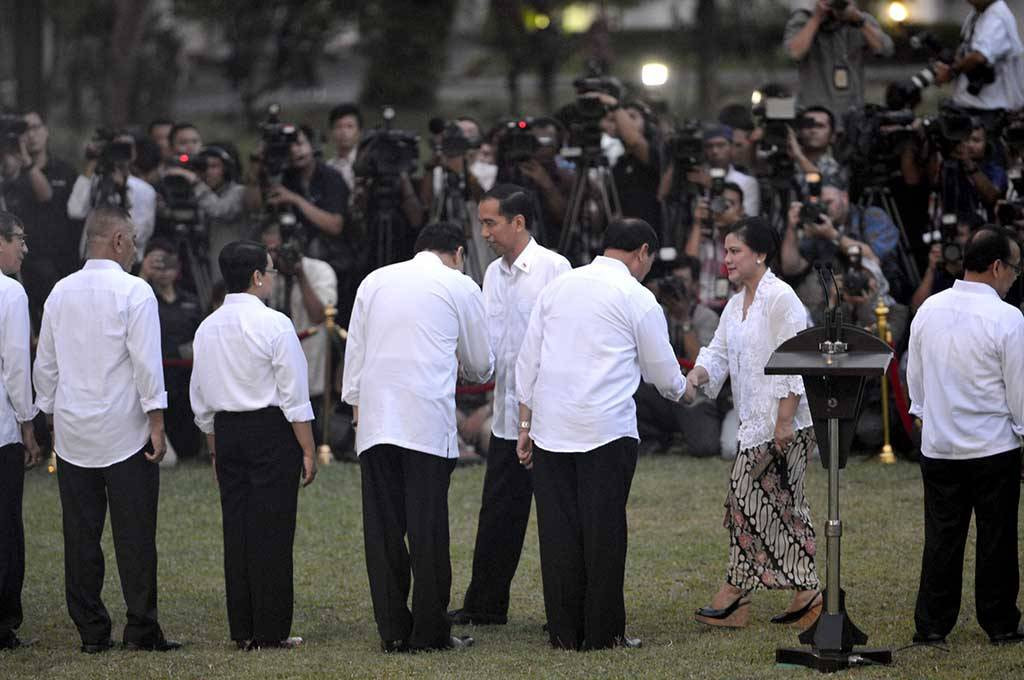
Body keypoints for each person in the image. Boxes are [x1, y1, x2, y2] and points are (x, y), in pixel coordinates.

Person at [515, 217, 685, 650]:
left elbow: (527, 362)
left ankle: (563, 631)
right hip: (605, 429)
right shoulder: (636, 295)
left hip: (550, 427)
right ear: (642, 252)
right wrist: (685, 388)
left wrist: (524, 425)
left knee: (558, 533)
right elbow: (662, 372)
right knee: (604, 531)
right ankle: (604, 632)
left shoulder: (558, 287)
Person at [33, 206, 179, 653]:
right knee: (135, 535)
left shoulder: (60, 291)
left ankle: (92, 631)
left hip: (74, 432)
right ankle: (141, 628)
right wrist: (157, 422)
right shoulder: (135, 291)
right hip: (125, 430)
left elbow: (46, 366)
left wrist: (51, 419)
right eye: (133, 240)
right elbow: (146, 363)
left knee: (80, 536)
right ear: (117, 240)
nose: (136, 248)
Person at [342, 221, 493, 653]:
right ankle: (429, 632)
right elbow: (481, 364)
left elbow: (355, 361)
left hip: (375, 421)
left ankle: (392, 628)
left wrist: (358, 416)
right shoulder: (459, 284)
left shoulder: (375, 280)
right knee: (427, 531)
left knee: (383, 530)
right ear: (459, 254)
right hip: (425, 423)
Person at [686, 216, 820, 629]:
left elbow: (794, 361)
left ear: (760, 254)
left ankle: (759, 592)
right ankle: (781, 595)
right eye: (725, 251)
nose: (725, 259)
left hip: (785, 424)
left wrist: (783, 421)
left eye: (734, 251)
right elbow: (717, 354)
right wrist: (694, 376)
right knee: (761, 506)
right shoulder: (734, 304)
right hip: (752, 424)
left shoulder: (782, 299)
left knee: (755, 501)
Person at [449, 184, 570, 627]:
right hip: (504, 418)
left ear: (517, 222)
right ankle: (485, 604)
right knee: (497, 513)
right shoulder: (493, 274)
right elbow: (491, 349)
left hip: (547, 419)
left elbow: (560, 344)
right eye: (481, 223)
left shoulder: (554, 268)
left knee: (557, 518)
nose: (483, 232)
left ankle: (564, 607)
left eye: (490, 223)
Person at [190, 240, 316, 651]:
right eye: (270, 272)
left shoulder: (207, 327)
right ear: (258, 277)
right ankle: (271, 629)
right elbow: (294, 395)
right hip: (270, 430)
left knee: (237, 529)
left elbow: (203, 398)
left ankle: (242, 628)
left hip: (226, 432)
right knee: (273, 529)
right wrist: (309, 449)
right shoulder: (275, 324)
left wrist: (213, 449)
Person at [906, 226, 1024, 646]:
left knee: (942, 537)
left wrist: (925, 417)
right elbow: (1019, 392)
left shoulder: (929, 309)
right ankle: (1001, 622)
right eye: (1014, 269)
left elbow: (914, 380)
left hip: (940, 446)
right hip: (994, 445)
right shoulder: (1009, 318)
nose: (1014, 278)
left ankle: (932, 624)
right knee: (997, 537)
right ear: (997, 267)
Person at [634, 254, 725, 458]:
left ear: (695, 285)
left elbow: (699, 363)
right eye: (672, 281)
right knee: (632, 392)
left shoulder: (705, 317)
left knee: (704, 448)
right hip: (662, 391)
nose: (676, 287)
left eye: (682, 281)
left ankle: (679, 435)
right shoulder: (657, 313)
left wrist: (684, 320)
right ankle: (657, 438)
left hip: (694, 395)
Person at [0, 212, 41, 650]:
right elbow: (15, 365)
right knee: (5, 525)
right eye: (19, 240)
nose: (23, 249)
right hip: (1, 430)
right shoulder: (10, 293)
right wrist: (28, 423)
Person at [260, 222, 337, 444]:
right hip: (271, 358)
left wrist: (300, 274)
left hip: (310, 354)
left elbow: (318, 315)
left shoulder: (320, 270)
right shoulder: (265, 273)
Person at [11, 111, 79, 329]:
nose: (30, 135)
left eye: (35, 128)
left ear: (46, 130)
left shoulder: (65, 170)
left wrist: (28, 164)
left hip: (57, 264)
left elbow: (45, 195)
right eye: (23, 130)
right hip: (18, 265)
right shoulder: (10, 171)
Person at [138, 240, 203, 462]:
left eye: (169, 264)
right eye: (158, 264)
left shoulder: (191, 302)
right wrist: (143, 273)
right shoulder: (144, 297)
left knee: (189, 443)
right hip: (157, 376)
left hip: (187, 378)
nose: (164, 271)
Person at [784, 0, 894, 116]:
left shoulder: (861, 20)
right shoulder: (804, 19)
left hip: (852, 111)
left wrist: (860, 22)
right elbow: (794, 52)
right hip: (816, 112)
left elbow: (886, 50)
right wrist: (816, 19)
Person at [934, 0, 1024, 118]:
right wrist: (949, 65)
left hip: (992, 112)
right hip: (973, 108)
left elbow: (980, 57)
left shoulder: (996, 16)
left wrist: (951, 72)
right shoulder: (978, 14)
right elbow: (967, 51)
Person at [327, 103, 362, 192]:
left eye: (349, 126)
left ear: (359, 132)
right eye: (338, 127)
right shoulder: (328, 167)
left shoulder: (366, 164)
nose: (344, 132)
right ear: (331, 132)